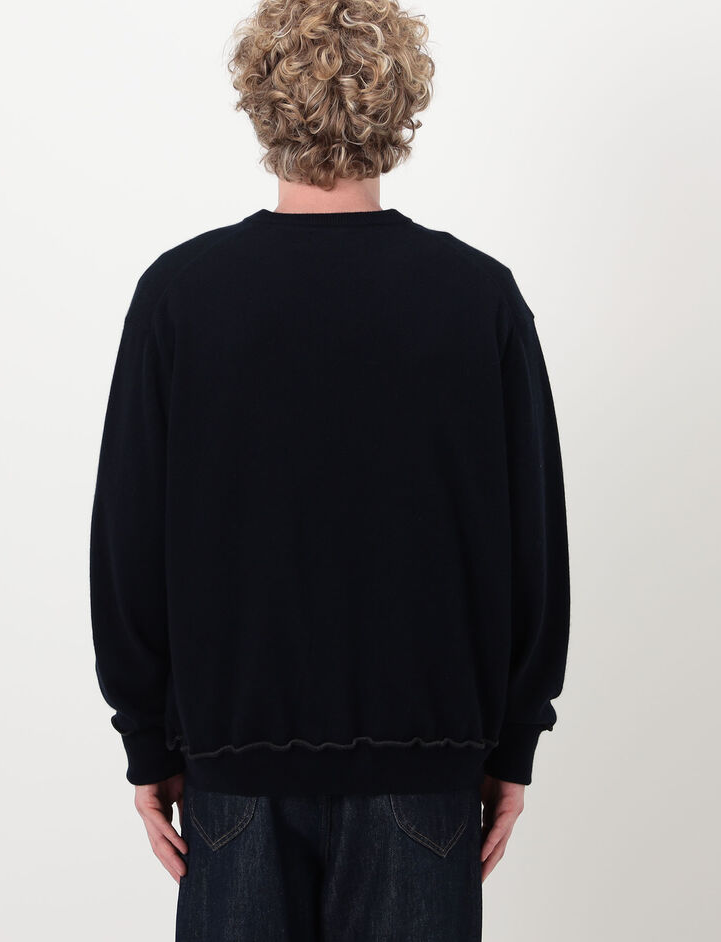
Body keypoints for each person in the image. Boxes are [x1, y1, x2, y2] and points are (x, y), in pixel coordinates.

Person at [88, 1, 571, 939]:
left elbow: (127, 544)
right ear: (400, 105)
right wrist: (514, 741)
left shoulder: (179, 297)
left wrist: (146, 740)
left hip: (232, 766)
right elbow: (533, 548)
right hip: (426, 765)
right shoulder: (478, 299)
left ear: (259, 104)